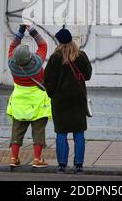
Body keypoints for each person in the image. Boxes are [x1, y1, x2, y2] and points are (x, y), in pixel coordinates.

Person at [44, 26, 92, 173]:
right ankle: (78, 165)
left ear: (59, 42)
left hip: (60, 102)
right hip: (78, 100)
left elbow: (48, 81)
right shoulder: (81, 56)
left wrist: (53, 95)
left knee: (61, 134)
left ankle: (62, 165)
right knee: (79, 134)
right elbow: (88, 75)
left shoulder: (55, 58)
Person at [6, 23, 52, 168]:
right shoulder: (37, 63)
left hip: (19, 101)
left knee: (17, 129)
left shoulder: (12, 64)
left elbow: (13, 46)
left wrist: (20, 31)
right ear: (29, 57)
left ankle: (14, 158)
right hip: (37, 101)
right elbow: (43, 45)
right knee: (38, 130)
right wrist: (31, 30)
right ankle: (37, 159)